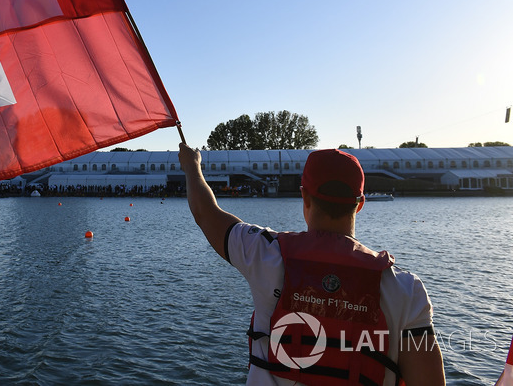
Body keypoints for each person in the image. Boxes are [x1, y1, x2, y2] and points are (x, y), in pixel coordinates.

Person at [178, 144, 445, 386]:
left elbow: (205, 212)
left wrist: (192, 166)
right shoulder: (407, 291)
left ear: (304, 197)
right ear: (360, 204)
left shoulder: (265, 254)